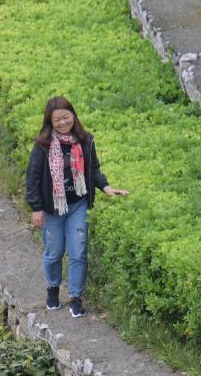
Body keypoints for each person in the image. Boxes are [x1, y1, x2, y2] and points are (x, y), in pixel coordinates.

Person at [25, 96, 128, 318]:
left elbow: (94, 169)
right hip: (53, 209)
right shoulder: (42, 146)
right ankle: (53, 288)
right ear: (49, 122)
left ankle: (75, 297)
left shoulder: (84, 140)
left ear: (73, 115)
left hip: (78, 204)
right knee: (54, 253)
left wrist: (106, 187)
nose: (63, 123)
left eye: (66, 117)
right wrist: (36, 208)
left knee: (78, 252)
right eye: (57, 120)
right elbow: (32, 178)